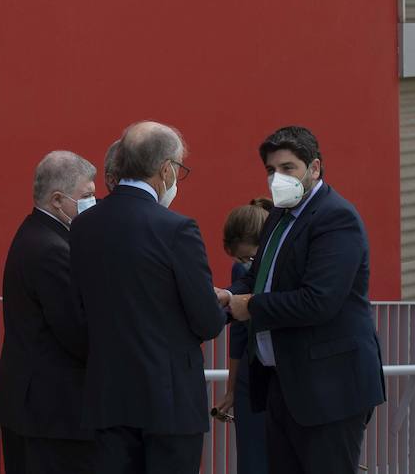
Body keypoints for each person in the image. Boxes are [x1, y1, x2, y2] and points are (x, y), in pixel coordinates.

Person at [70, 121, 227, 474]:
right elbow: (206, 321)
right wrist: (226, 305)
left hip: (107, 398)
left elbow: (82, 309)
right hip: (169, 402)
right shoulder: (176, 228)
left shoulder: (83, 226)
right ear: (166, 169)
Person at [226, 126, 385, 474]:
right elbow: (258, 278)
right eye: (271, 170)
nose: (277, 179)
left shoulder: (336, 217)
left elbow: (319, 300)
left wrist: (249, 306)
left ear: (314, 168)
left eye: (288, 168)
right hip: (282, 385)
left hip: (329, 390)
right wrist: (226, 298)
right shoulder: (278, 217)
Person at [0, 151, 98, 474]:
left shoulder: (35, 234)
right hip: (52, 414)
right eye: (87, 195)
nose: (93, 203)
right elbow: (77, 332)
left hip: (36, 409)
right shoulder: (53, 249)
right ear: (57, 200)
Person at [212, 199, 272, 474]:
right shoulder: (244, 270)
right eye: (241, 260)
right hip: (253, 371)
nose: (246, 265)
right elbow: (238, 331)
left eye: (250, 258)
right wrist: (233, 388)